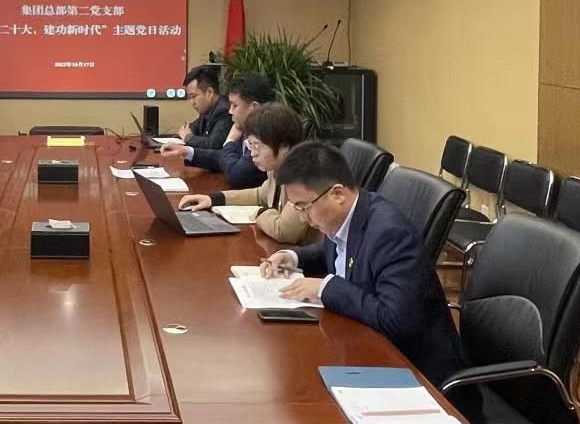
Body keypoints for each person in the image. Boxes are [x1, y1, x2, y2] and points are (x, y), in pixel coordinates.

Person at [259, 141, 467, 387]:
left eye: (304, 207)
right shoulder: (347, 215)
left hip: (416, 374)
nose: (303, 218)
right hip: (364, 348)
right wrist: (292, 257)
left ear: (337, 194)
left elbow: (394, 319)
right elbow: (334, 249)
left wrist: (326, 288)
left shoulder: (390, 234)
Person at [177, 102, 313, 244]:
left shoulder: (303, 177)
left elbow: (284, 231)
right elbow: (261, 194)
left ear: (284, 146)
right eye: (250, 145)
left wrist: (259, 212)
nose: (252, 153)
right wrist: (214, 199)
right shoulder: (277, 168)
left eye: (257, 146)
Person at [159, 71, 272, 189]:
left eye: (235, 106)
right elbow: (222, 158)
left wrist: (230, 140)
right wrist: (187, 151)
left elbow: (237, 175)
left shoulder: (265, 136)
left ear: (254, 108)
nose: (230, 111)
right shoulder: (245, 129)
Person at [175, 65, 232, 149]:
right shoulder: (207, 109)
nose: (192, 102)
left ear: (210, 92)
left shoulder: (224, 111)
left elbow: (213, 144)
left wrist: (188, 137)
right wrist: (184, 132)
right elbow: (194, 127)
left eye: (194, 96)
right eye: (189, 97)